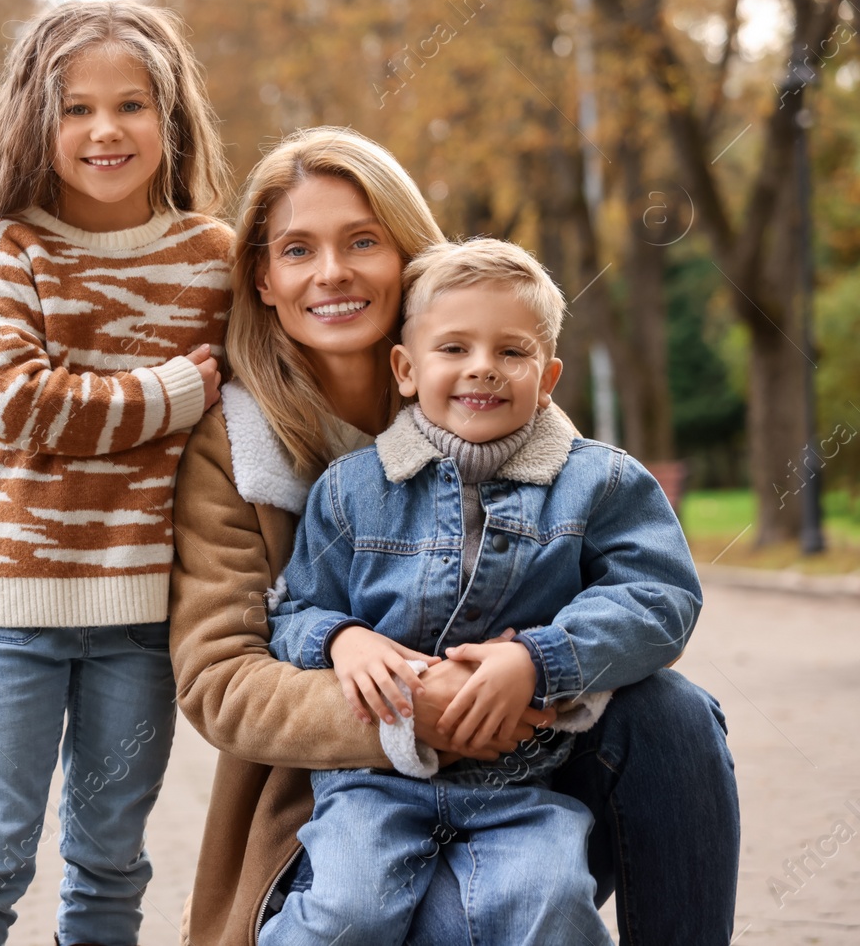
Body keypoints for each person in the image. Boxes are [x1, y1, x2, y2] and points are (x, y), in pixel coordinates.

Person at [168, 126, 739, 945]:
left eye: (362, 240)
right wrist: (401, 701)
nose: (331, 272)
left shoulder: (517, 411)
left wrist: (537, 665)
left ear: (406, 252)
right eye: (298, 249)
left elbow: (646, 591)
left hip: (523, 779)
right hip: (345, 796)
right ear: (264, 278)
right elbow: (224, 676)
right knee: (379, 912)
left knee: (674, 715)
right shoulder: (249, 452)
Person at [259, 236, 701, 944]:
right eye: (455, 348)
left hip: (523, 782)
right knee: (349, 910)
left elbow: (659, 598)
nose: (483, 370)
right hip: (373, 779)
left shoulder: (599, 482)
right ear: (405, 368)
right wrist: (342, 638)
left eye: (512, 352)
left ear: (548, 375)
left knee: (550, 900)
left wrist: (540, 659)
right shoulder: (350, 489)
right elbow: (293, 608)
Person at [0, 0, 232, 945]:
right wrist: (171, 393)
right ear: (36, 124)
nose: (105, 130)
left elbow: (255, 407)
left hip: (143, 618)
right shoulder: (15, 248)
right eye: (76, 109)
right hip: (16, 616)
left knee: (109, 862)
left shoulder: (211, 259)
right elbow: (11, 400)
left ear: (169, 120)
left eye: (132, 105)